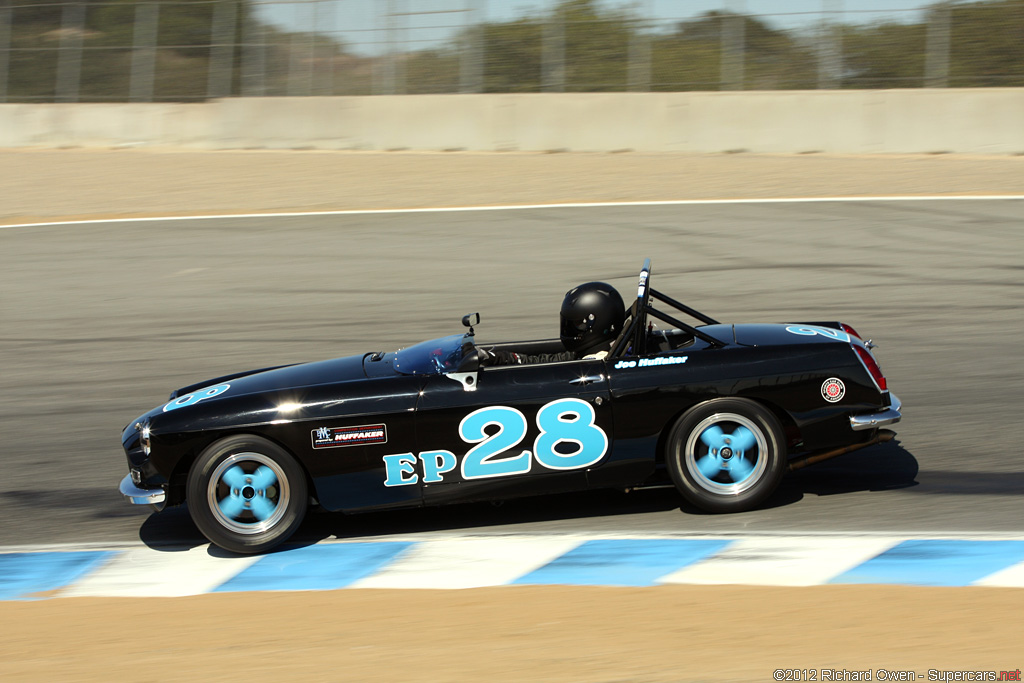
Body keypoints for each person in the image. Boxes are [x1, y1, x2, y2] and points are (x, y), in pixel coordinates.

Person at [481, 282, 626, 365]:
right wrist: (497, 358)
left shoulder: (593, 365)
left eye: (577, 324)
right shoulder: (587, 355)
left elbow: (539, 373)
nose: (569, 329)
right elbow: (545, 361)